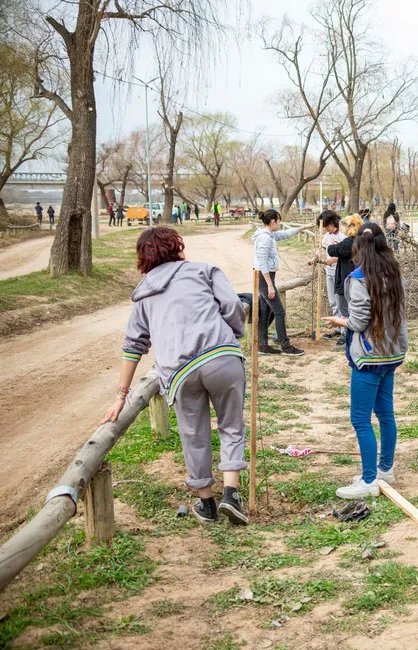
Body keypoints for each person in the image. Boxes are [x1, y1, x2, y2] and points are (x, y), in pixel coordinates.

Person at [101, 226, 249, 525]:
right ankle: (231, 495)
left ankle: (206, 503)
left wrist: (120, 396)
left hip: (179, 372)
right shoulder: (204, 271)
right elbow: (232, 305)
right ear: (177, 247)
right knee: (231, 425)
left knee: (194, 434)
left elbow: (133, 346)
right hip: (220, 357)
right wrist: (233, 333)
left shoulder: (144, 294)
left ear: (143, 257)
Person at [322, 223, 407, 499]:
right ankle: (385, 469)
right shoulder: (394, 273)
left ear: (358, 247)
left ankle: (369, 480)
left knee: (360, 418)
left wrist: (340, 321)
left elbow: (358, 322)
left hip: (369, 357)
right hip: (391, 353)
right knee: (385, 413)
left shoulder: (359, 278)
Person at [252, 209, 306, 356]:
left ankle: (262, 345)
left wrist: (302, 228)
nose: (280, 224)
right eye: (279, 221)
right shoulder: (265, 238)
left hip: (265, 277)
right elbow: (262, 262)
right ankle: (286, 346)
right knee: (280, 312)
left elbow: (283, 234)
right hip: (264, 277)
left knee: (265, 312)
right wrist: (270, 285)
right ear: (273, 221)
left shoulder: (269, 234)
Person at [326, 214, 362, 348]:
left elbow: (333, 250)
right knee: (354, 309)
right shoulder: (362, 240)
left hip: (346, 279)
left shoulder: (349, 242)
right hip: (357, 279)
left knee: (345, 309)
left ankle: (346, 337)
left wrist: (329, 243)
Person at [310, 210, 344, 341]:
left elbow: (348, 253)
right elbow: (321, 250)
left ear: (333, 222)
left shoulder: (342, 235)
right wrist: (314, 258)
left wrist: (333, 260)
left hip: (340, 272)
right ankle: (337, 327)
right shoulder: (326, 236)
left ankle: (345, 330)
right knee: (333, 301)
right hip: (329, 271)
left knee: (341, 301)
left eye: (326, 226)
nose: (325, 229)